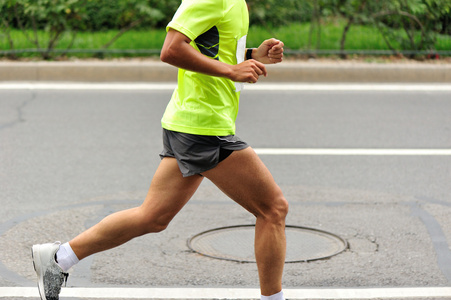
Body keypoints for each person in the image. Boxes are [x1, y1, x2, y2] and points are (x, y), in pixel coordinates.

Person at [31, 0, 288, 299]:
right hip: (203, 126)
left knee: (152, 217)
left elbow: (209, 48)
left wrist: (252, 56)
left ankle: (58, 259)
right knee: (273, 209)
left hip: (192, 122)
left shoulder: (235, 2)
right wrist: (232, 70)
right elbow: (172, 49)